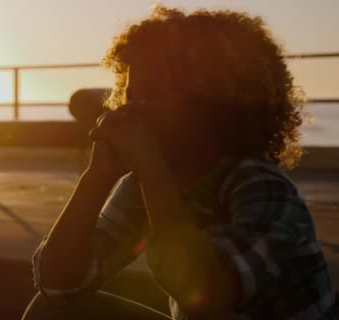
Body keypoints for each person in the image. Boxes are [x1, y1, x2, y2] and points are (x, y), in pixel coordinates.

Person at [22, 5, 338, 320]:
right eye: (131, 96)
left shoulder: (263, 188)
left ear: (214, 106)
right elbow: (58, 285)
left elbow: (207, 296)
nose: (131, 112)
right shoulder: (144, 182)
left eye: (155, 96)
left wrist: (151, 169)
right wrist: (97, 177)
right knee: (49, 312)